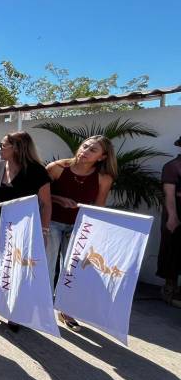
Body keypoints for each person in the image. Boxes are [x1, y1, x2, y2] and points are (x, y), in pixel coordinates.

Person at [0, 131, 52, 333]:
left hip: (22, 231)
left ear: (17, 148)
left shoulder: (36, 172)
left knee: (17, 270)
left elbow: (46, 204)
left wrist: (44, 231)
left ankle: (14, 312)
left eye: (3, 145)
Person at [45, 135, 117, 330]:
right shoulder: (57, 168)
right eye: (85, 146)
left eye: (93, 150)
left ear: (102, 157)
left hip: (80, 228)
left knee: (72, 270)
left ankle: (66, 310)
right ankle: (43, 309)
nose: (85, 151)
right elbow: (39, 195)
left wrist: (96, 234)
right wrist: (58, 199)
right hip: (52, 222)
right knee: (48, 266)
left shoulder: (104, 178)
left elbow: (98, 207)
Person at [158, 135, 181, 307]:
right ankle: (169, 289)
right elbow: (169, 194)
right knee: (172, 250)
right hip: (177, 212)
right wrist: (172, 217)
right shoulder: (172, 166)